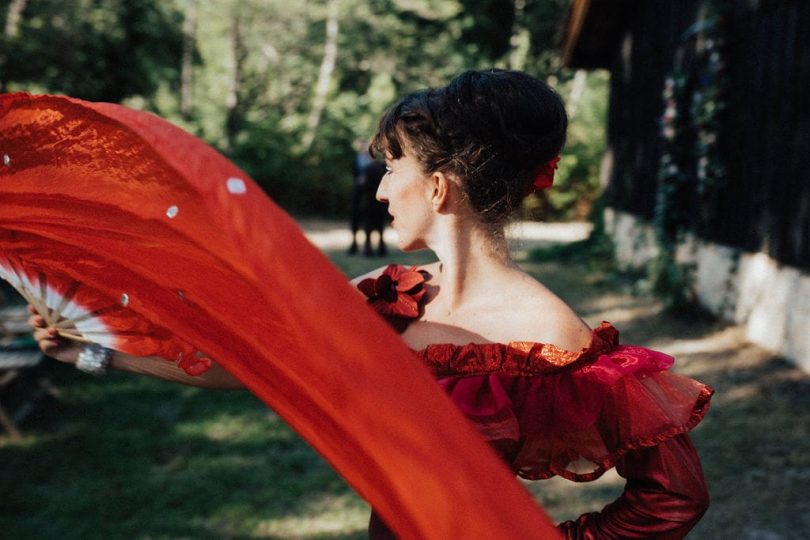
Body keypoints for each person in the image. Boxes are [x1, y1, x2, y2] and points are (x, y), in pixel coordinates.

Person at [30, 69, 712, 539]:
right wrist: (90, 354)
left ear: (439, 188)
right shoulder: (388, 299)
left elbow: (675, 494)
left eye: (393, 167)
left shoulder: (555, 339)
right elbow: (242, 362)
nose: (381, 190)